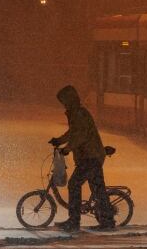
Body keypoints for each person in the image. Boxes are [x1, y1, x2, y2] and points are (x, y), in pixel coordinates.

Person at [49, 85, 115, 232]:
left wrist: (67, 149)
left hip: (90, 157)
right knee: (98, 189)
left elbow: (80, 136)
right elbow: (73, 132)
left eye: (64, 101)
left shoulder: (79, 114)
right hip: (91, 156)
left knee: (74, 184)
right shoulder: (76, 113)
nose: (63, 104)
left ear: (70, 99)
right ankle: (107, 220)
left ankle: (74, 222)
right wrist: (59, 141)